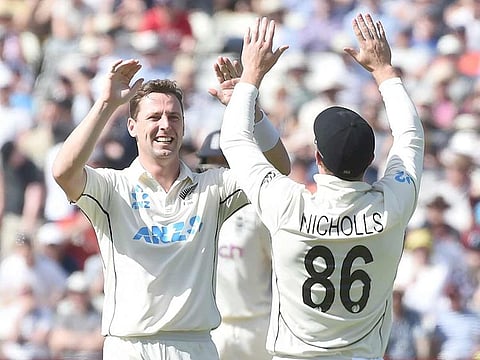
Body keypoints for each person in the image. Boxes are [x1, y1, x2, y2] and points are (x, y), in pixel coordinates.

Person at [51, 55, 290, 359]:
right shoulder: (113, 187)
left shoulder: (211, 187)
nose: (165, 125)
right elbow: (63, 172)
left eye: (174, 117)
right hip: (130, 346)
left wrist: (250, 106)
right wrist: (106, 105)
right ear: (132, 126)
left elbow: (278, 169)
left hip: (194, 346)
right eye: (154, 117)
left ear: (184, 125)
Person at [220, 14, 424, 359]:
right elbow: (410, 136)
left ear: (317, 158)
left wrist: (251, 77)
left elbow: (234, 141)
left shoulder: (288, 205)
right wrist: (385, 70)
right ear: (371, 159)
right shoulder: (393, 205)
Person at [196, 130, 272, 360]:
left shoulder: (258, 211)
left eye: (223, 163)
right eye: (212, 164)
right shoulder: (196, 210)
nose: (218, 172)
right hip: (211, 327)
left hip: (257, 325)